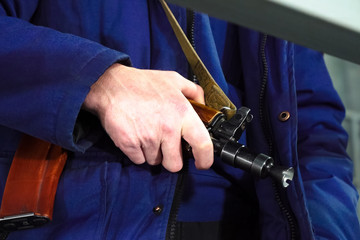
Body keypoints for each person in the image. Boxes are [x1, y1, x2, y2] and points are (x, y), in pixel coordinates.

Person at [0, 0, 359, 239]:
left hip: (246, 221)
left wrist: (324, 230)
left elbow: (313, 131)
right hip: (88, 220)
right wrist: (102, 82)